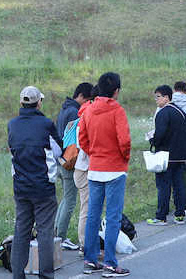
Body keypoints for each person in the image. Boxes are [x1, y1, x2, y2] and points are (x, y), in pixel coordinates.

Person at [79, 72, 131, 277]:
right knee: (112, 217)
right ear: (116, 91)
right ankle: (110, 263)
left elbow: (82, 138)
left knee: (93, 215)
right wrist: (123, 158)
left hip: (95, 168)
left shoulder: (89, 110)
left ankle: (90, 260)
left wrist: (94, 153)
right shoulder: (117, 110)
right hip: (115, 169)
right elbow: (124, 141)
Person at [8, 86, 62, 279]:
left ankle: (17, 275)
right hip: (43, 187)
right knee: (45, 231)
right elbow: (58, 151)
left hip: (21, 187)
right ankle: (45, 275)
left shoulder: (12, 125)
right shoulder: (46, 124)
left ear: (21, 103)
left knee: (21, 230)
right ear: (39, 103)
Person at [55, 82, 94, 250]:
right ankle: (61, 237)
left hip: (61, 159)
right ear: (82, 97)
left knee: (65, 198)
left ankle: (56, 236)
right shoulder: (74, 111)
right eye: (88, 100)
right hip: (70, 160)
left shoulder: (65, 108)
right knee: (70, 200)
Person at [146, 85, 186, 226]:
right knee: (179, 185)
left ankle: (161, 216)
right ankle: (180, 215)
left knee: (163, 186)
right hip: (181, 155)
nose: (156, 100)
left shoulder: (163, 113)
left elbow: (160, 134)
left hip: (165, 156)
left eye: (158, 97)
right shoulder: (181, 112)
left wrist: (152, 140)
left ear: (166, 97)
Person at [72, 86, 98, 248]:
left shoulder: (83, 113)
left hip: (82, 168)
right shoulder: (87, 116)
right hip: (84, 169)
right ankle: (85, 245)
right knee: (87, 210)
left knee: (88, 209)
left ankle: (87, 243)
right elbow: (85, 145)